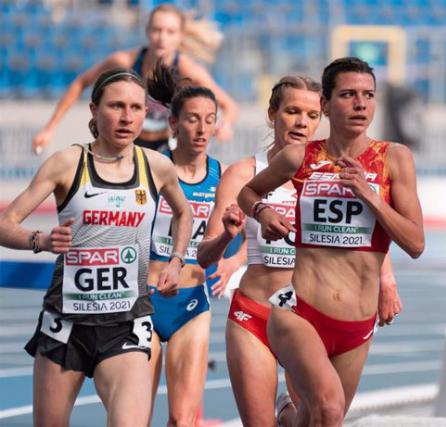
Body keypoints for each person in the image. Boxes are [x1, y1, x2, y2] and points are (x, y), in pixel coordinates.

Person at [198, 74, 404, 427]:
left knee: (319, 416)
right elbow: (204, 255)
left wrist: (387, 280)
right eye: (292, 112)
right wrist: (227, 238)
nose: (301, 123)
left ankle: (288, 417)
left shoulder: (335, 168)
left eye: (311, 115)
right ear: (272, 114)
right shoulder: (244, 173)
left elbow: (360, 234)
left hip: (311, 316)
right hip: (256, 314)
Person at [0, 68, 192, 427]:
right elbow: (4, 225)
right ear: (93, 110)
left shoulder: (156, 166)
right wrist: (39, 240)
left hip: (127, 324)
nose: (127, 117)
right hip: (65, 326)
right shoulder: (67, 163)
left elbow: (184, 213)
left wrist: (176, 260)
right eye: (116, 106)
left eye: (136, 107)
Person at [144, 63, 243, 426]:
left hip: (192, 303)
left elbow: (254, 231)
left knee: (183, 420)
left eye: (210, 119)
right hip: (145, 299)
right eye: (192, 119)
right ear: (173, 124)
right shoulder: (151, 168)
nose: (203, 129)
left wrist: (235, 260)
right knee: (132, 417)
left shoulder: (222, 175)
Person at [32, 3, 238, 154]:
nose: (162, 38)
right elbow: (80, 83)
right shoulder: (126, 61)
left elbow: (230, 106)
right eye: (157, 30)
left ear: (180, 36)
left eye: (169, 32)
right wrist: (49, 129)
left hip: (166, 147)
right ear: (147, 31)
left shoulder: (188, 70)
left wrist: (225, 125)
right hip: (128, 142)